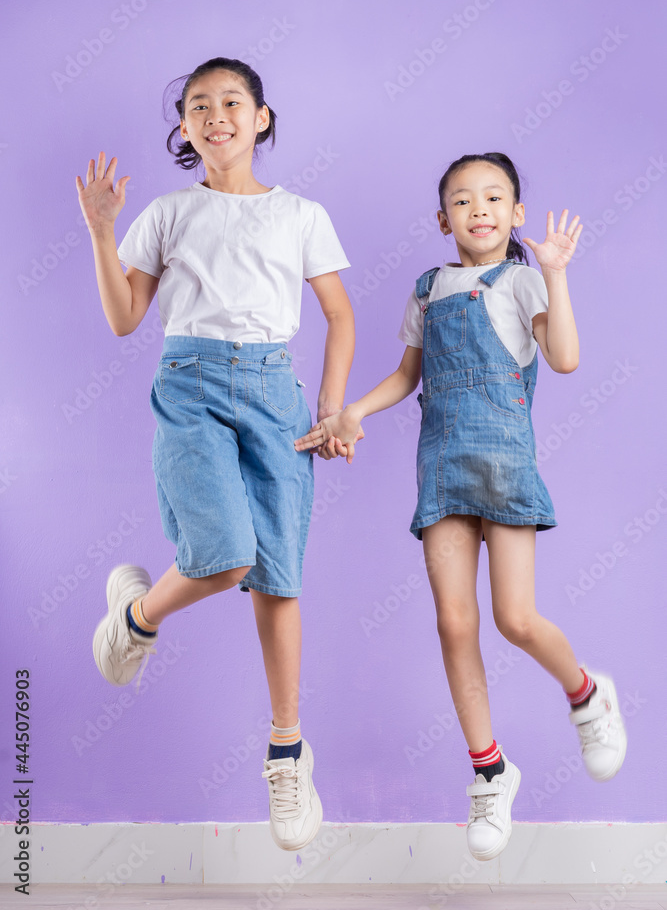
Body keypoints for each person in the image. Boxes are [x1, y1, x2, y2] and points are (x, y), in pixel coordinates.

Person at [295, 152, 626, 861]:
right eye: (462, 199)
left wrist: (559, 275)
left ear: (515, 215)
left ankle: (585, 693)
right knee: (453, 622)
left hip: (503, 469)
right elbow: (407, 376)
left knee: (513, 618)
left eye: (494, 197)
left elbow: (562, 358)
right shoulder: (427, 288)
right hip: (441, 470)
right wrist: (350, 413)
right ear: (441, 218)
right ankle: (488, 771)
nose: (478, 209)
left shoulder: (523, 280)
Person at [76, 56, 355, 851]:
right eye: (198, 105)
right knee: (226, 555)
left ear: (261, 118)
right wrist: (102, 232)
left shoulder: (301, 213)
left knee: (278, 574)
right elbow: (127, 316)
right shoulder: (167, 212)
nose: (216, 114)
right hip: (191, 382)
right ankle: (134, 617)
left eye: (232, 101)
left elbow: (339, 316)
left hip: (276, 393)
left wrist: (331, 406)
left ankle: (287, 750)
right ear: (185, 127)